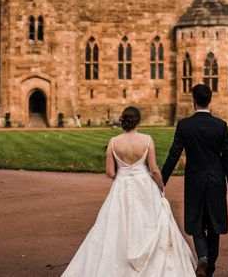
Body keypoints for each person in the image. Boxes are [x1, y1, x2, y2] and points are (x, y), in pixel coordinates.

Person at [62, 106, 196, 276]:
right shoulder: (147, 140)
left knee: (117, 226)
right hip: (144, 185)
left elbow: (110, 172)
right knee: (149, 223)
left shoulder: (113, 142)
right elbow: (154, 169)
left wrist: (124, 173)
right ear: (138, 121)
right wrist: (160, 187)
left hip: (122, 186)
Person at [161, 83, 228, 277]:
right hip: (216, 181)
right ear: (209, 100)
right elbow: (227, 157)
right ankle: (209, 266)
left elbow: (173, 155)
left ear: (193, 101)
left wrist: (161, 181)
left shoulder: (185, 125)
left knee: (196, 223)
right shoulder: (220, 126)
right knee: (214, 225)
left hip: (195, 180)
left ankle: (202, 258)